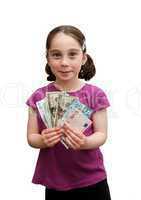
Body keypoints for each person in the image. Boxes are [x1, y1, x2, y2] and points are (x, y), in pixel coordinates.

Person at [26, 25, 111, 200]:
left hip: (92, 180)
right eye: (56, 55)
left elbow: (101, 134)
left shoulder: (96, 94)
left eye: (72, 54)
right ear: (48, 58)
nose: (64, 62)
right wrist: (42, 140)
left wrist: (85, 142)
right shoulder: (39, 97)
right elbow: (31, 137)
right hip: (55, 182)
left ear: (83, 58)